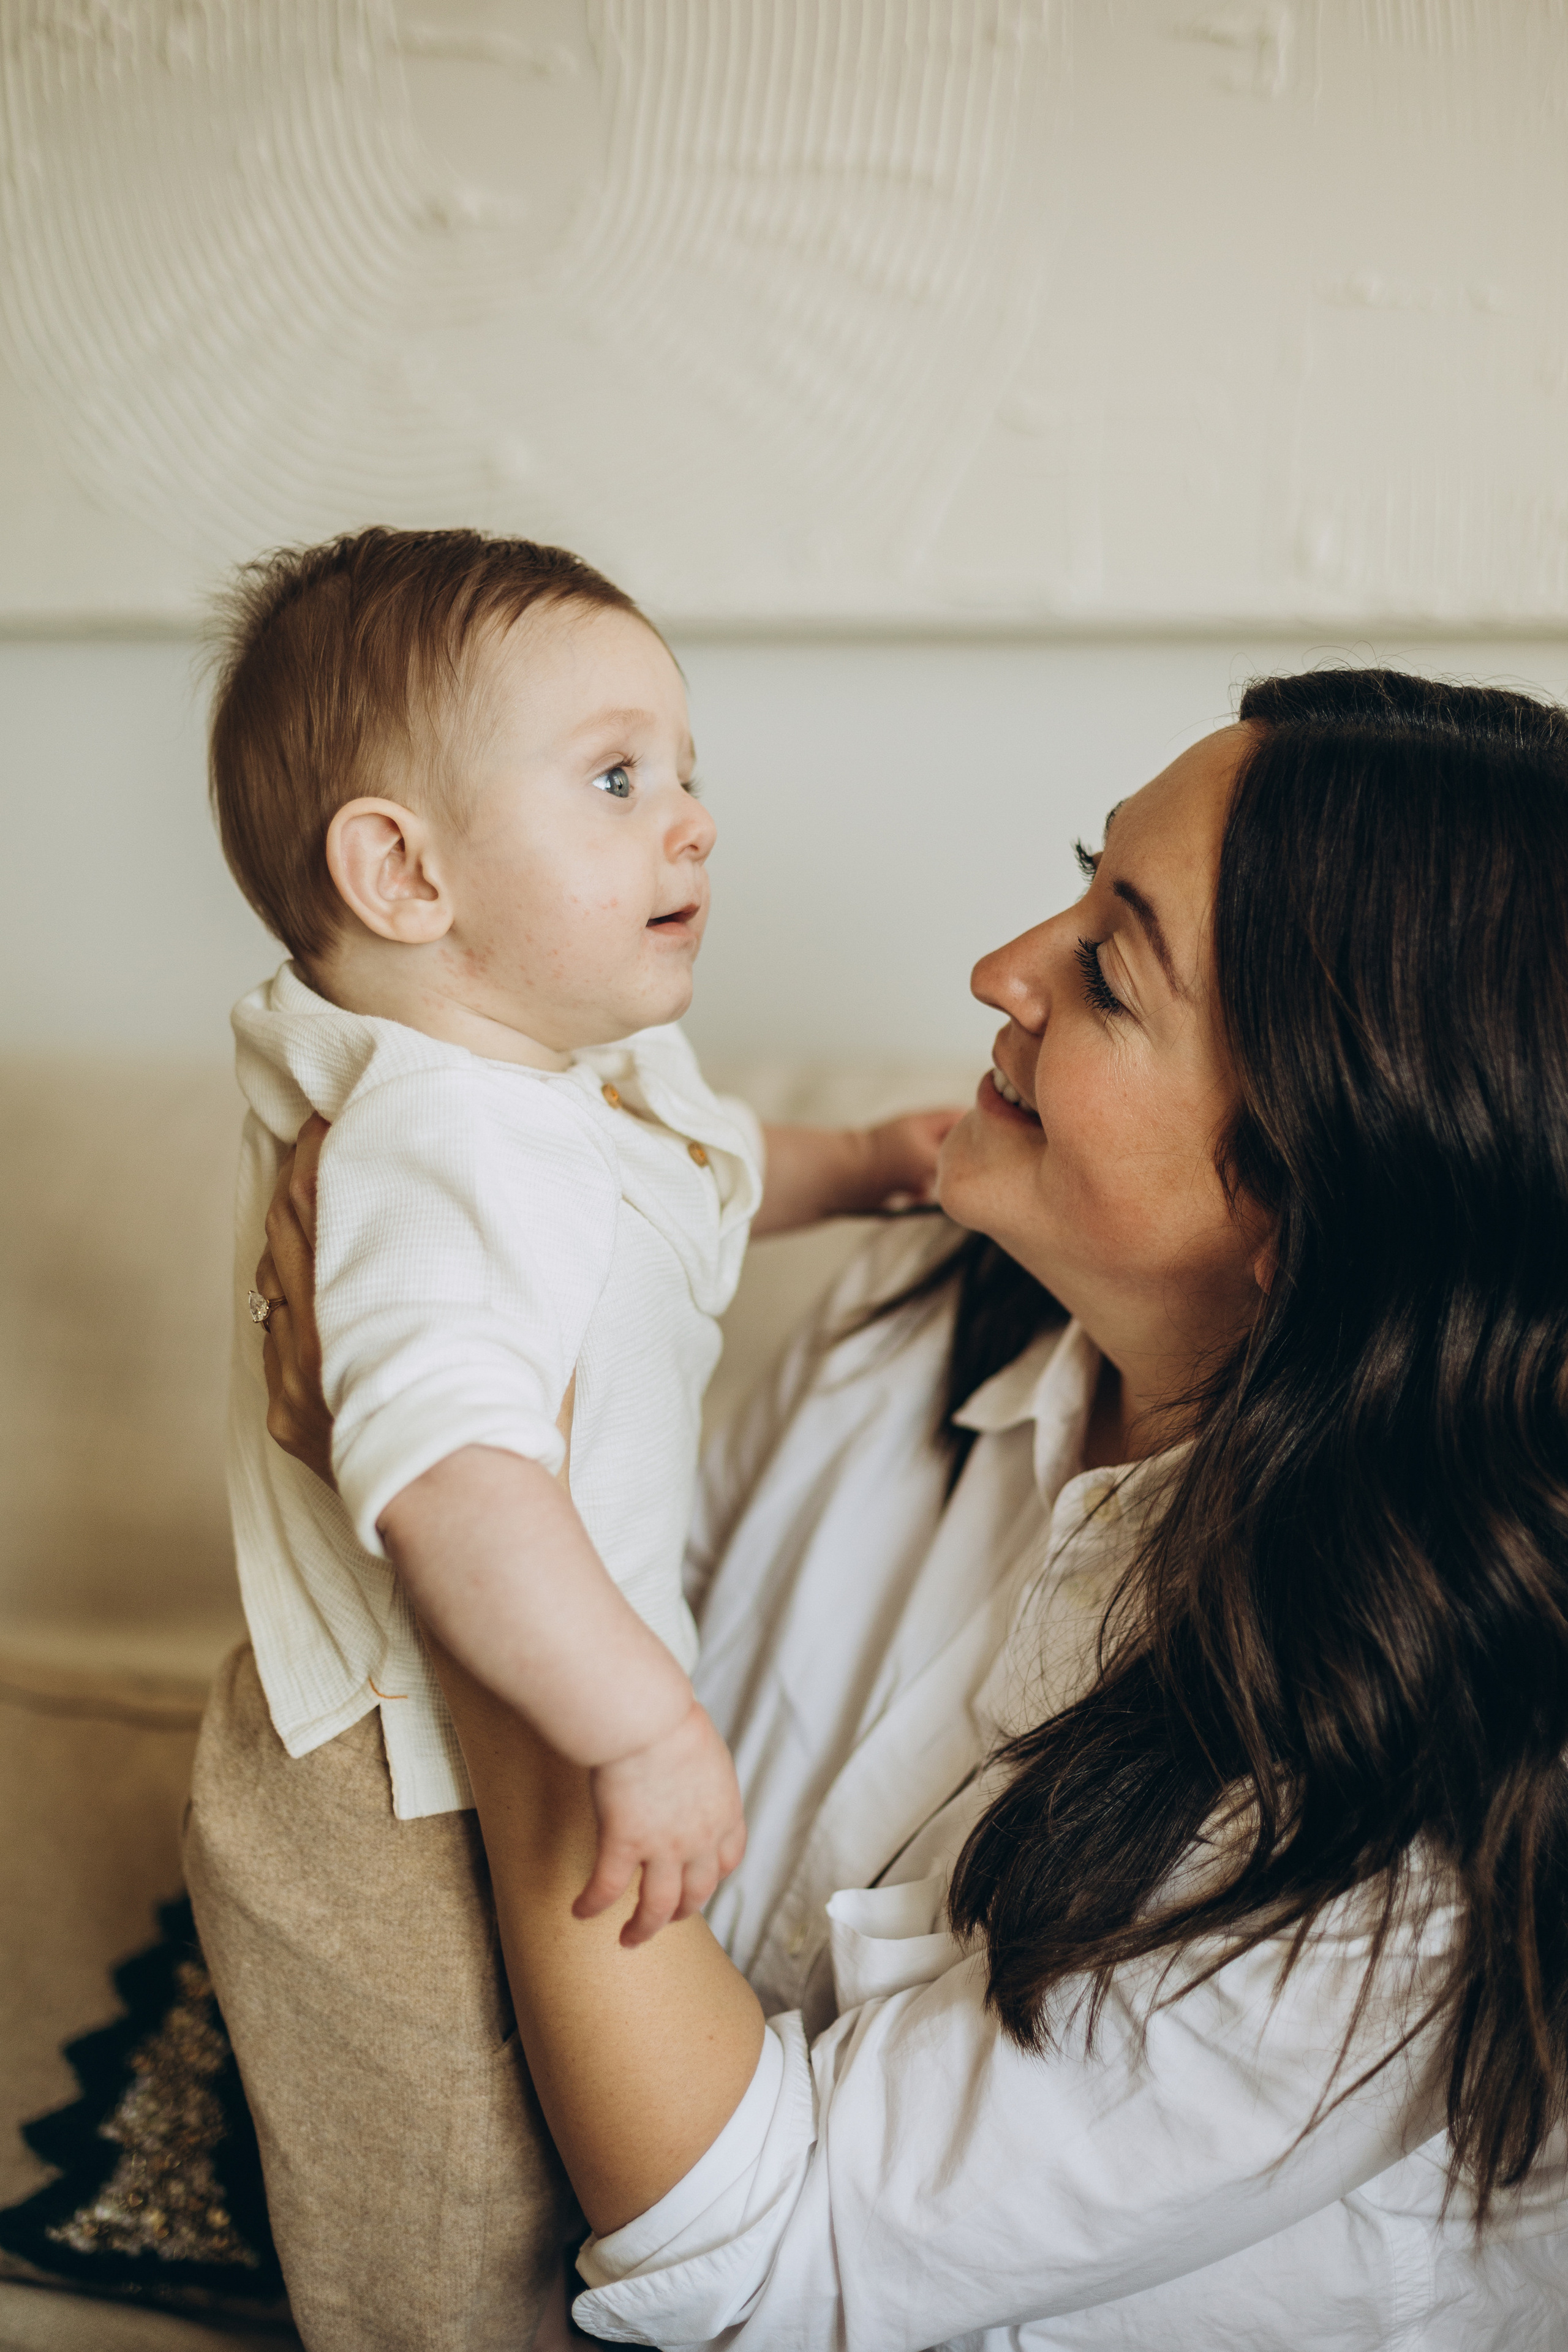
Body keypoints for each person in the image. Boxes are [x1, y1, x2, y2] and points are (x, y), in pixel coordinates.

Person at [258, 669, 1568, 2349]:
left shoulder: (1405, 1824)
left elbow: (764, 2260)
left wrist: (458, 1557)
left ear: (1306, 1202)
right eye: (1084, 879)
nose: (1001, 968)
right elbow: (648, 1584)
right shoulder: (922, 1303)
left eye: (1109, 972)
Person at [183, 526, 954, 2352]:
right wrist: (640, 1723)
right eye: (617, 778)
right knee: (446, 2201)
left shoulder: (570, 1081)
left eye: (686, 772)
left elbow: (708, 1164)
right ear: (404, 872)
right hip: (390, 1797)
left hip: (509, 1726)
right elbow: (449, 1478)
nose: (691, 820)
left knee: (549, 2129)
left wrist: (866, 1164)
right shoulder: (435, 1145)